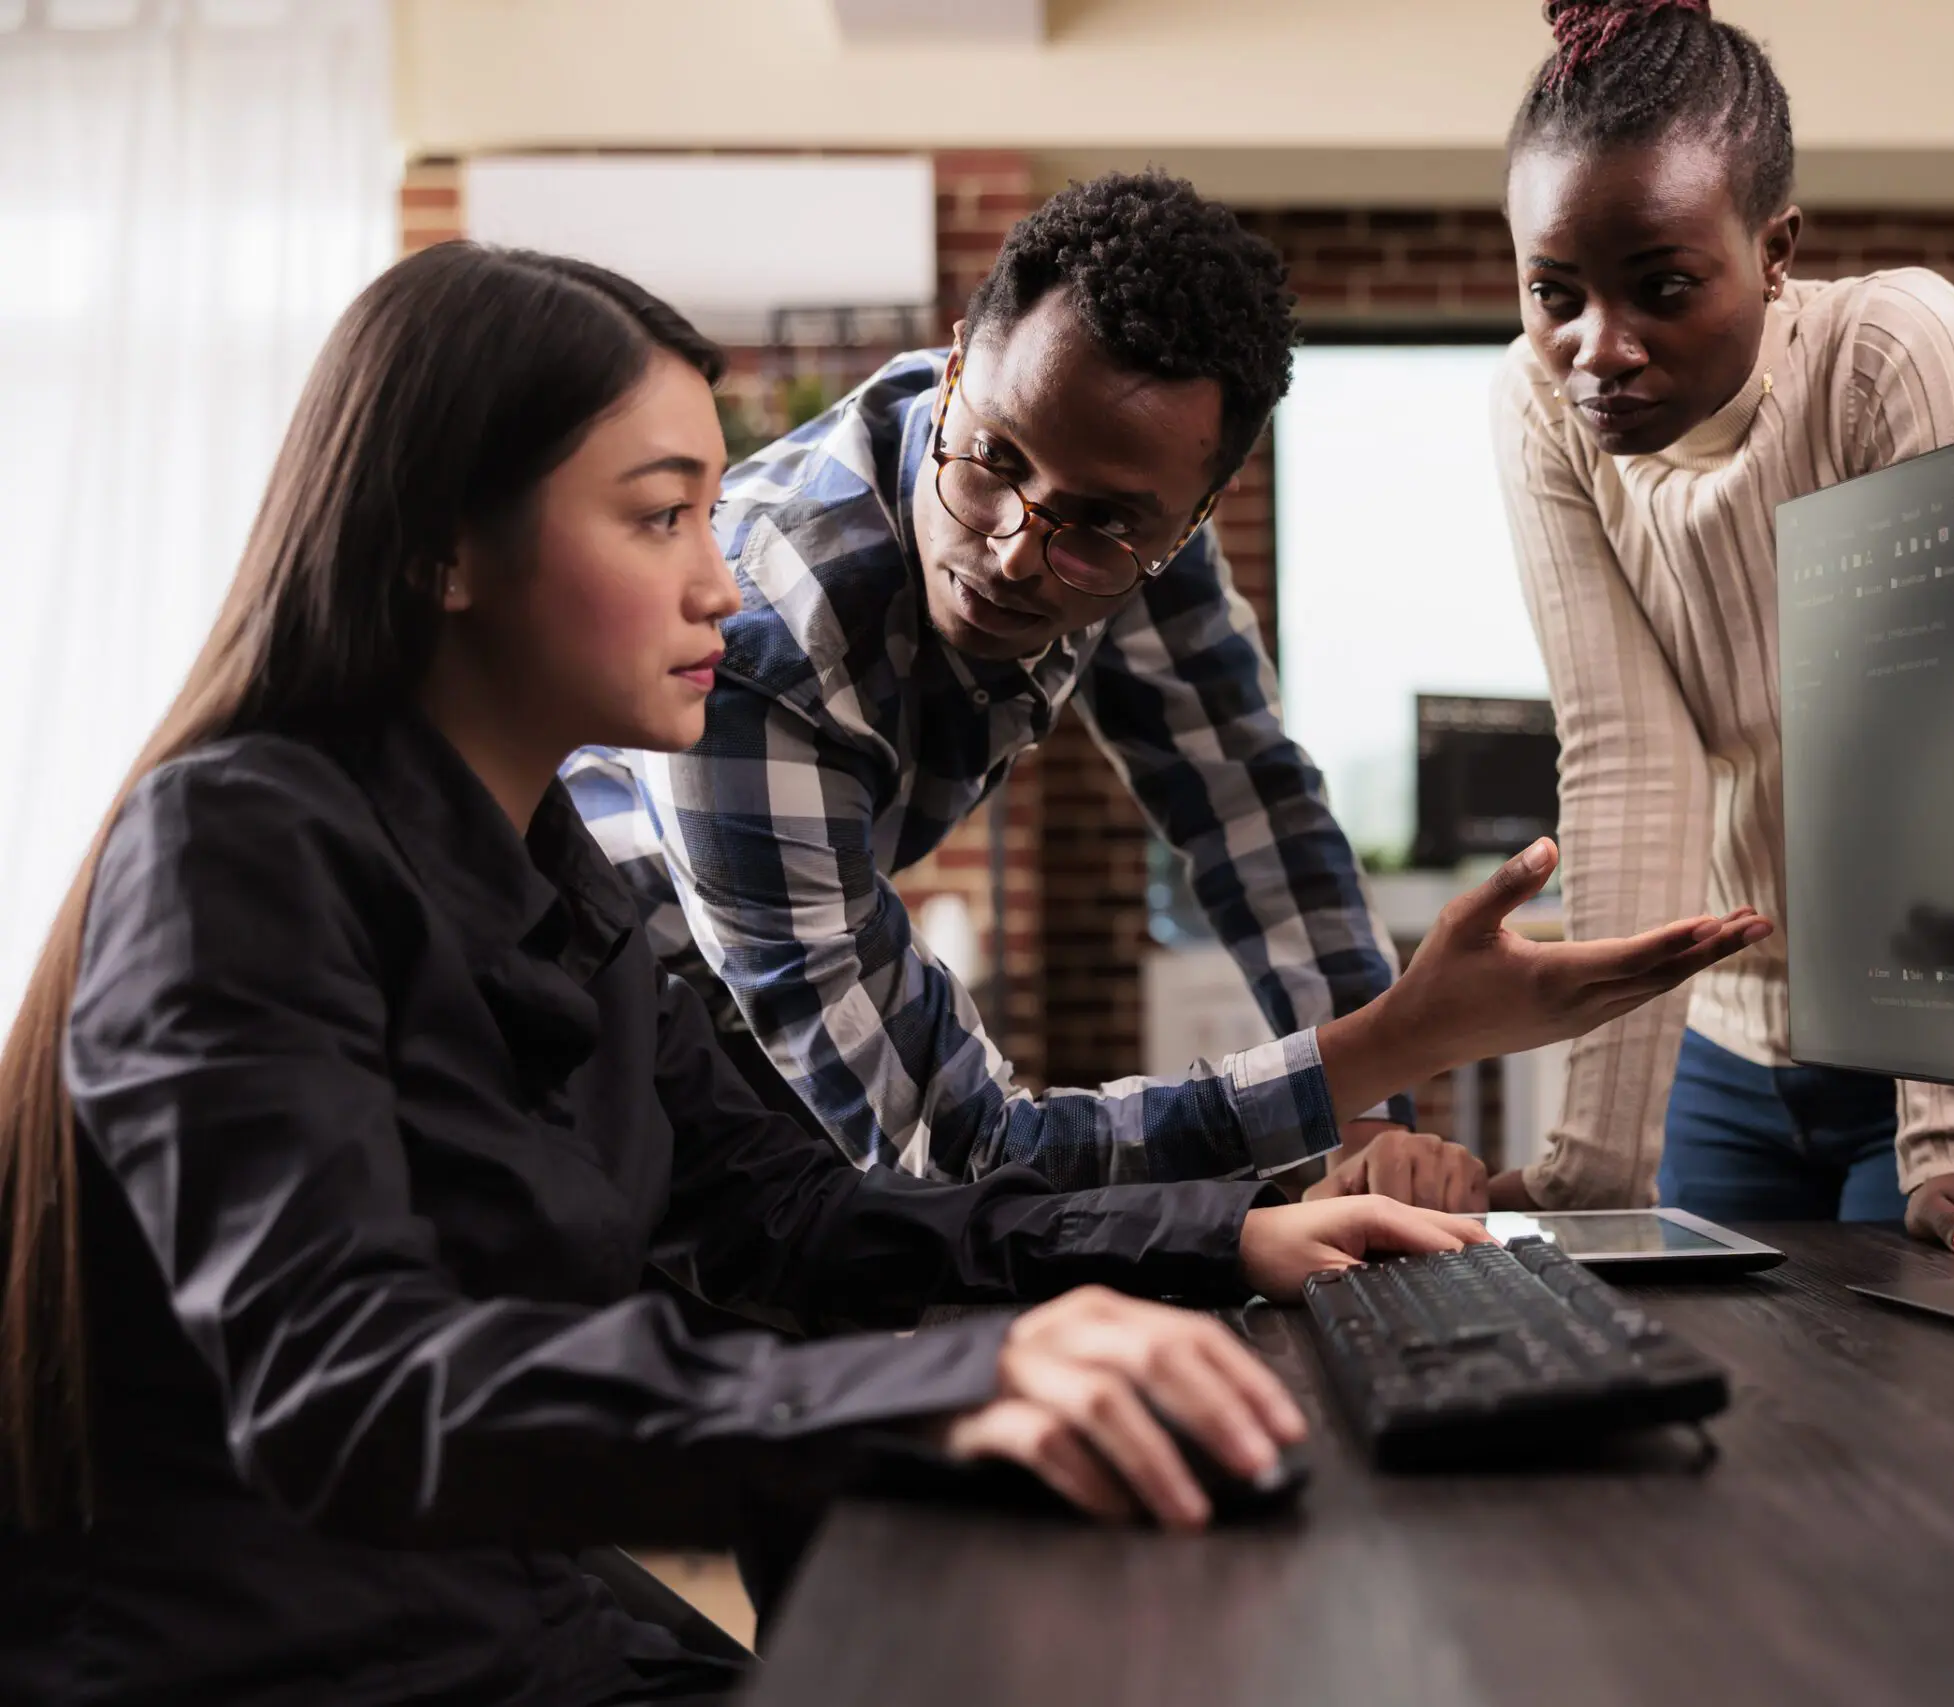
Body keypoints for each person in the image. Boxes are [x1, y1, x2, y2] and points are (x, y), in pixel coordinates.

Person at [0, 244, 1767, 1707]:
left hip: (488, 1608)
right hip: (282, 1656)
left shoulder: (565, 880)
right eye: (661, 517)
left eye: (709, 508)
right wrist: (950, 1381)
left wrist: (1226, 1235)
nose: (719, 580)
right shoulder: (240, 842)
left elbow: (805, 1218)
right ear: (440, 547)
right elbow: (354, 1393)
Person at [571, 170, 1495, 1211]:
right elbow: (956, 1150)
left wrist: (1367, 1124)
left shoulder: (1127, 520)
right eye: (995, 459)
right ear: (956, 367)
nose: (1017, 552)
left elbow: (1249, 805)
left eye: (1102, 522)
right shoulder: (754, 645)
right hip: (573, 1045)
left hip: (758, 1031)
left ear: (1189, 516)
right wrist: (1364, 1057)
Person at [1484, 0, 1954, 1244]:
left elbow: (1940, 737)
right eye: (1555, 294)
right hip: (1729, 1043)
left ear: (1774, 249)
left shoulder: (1891, 353)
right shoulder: (1538, 404)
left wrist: (1947, 1144)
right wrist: (1591, 1162)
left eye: (1662, 287)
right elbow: (1626, 754)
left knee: (1920, 1398)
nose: (1598, 349)